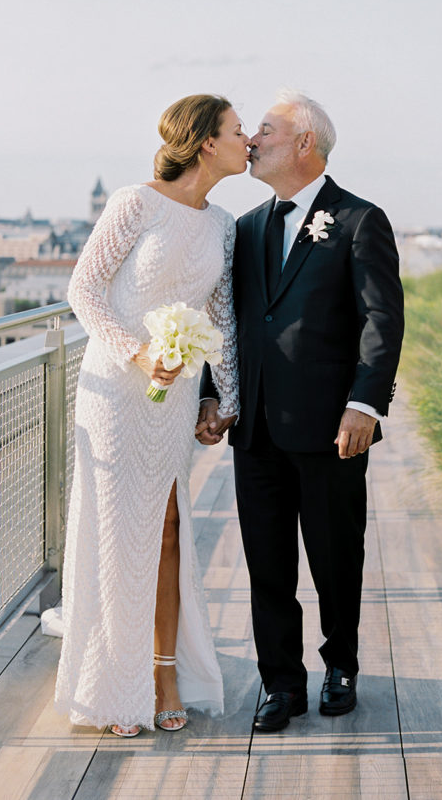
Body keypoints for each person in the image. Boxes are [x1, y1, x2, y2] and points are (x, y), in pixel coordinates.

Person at [198, 89, 404, 732]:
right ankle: (280, 683)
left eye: (264, 130)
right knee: (267, 563)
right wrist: (212, 393)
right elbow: (225, 322)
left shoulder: (360, 220)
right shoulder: (247, 227)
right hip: (255, 427)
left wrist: (365, 403)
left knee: (337, 554)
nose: (251, 140)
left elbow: (382, 321)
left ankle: (341, 663)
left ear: (304, 143)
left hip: (330, 426)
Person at [54, 94, 246, 737]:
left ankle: (164, 673)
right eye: (238, 130)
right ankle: (114, 683)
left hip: (176, 398)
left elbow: (222, 320)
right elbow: (84, 287)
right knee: (115, 533)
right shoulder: (132, 204)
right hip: (115, 389)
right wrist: (138, 352)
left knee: (166, 528)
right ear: (204, 143)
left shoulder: (223, 224)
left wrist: (222, 399)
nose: (248, 140)